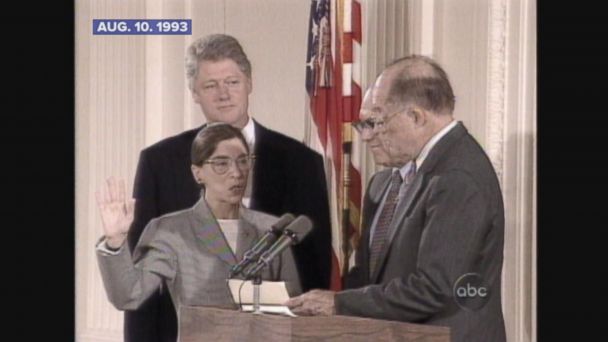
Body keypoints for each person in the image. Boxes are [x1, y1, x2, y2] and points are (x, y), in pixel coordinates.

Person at [125, 34, 331, 341]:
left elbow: (315, 267)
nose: (224, 94)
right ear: (194, 92)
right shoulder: (159, 161)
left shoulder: (302, 162)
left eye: (232, 82)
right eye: (211, 85)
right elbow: (141, 281)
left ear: (249, 83)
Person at [286, 55, 506, 342]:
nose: (366, 136)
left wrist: (338, 304)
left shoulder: (458, 176)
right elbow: (370, 276)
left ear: (415, 116)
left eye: (375, 122)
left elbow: (434, 288)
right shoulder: (385, 183)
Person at [96, 124, 302, 339]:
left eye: (243, 161)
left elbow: (294, 308)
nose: (237, 173)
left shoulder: (272, 230)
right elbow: (129, 295)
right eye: (222, 163)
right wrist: (115, 242)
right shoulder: (171, 231)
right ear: (198, 173)